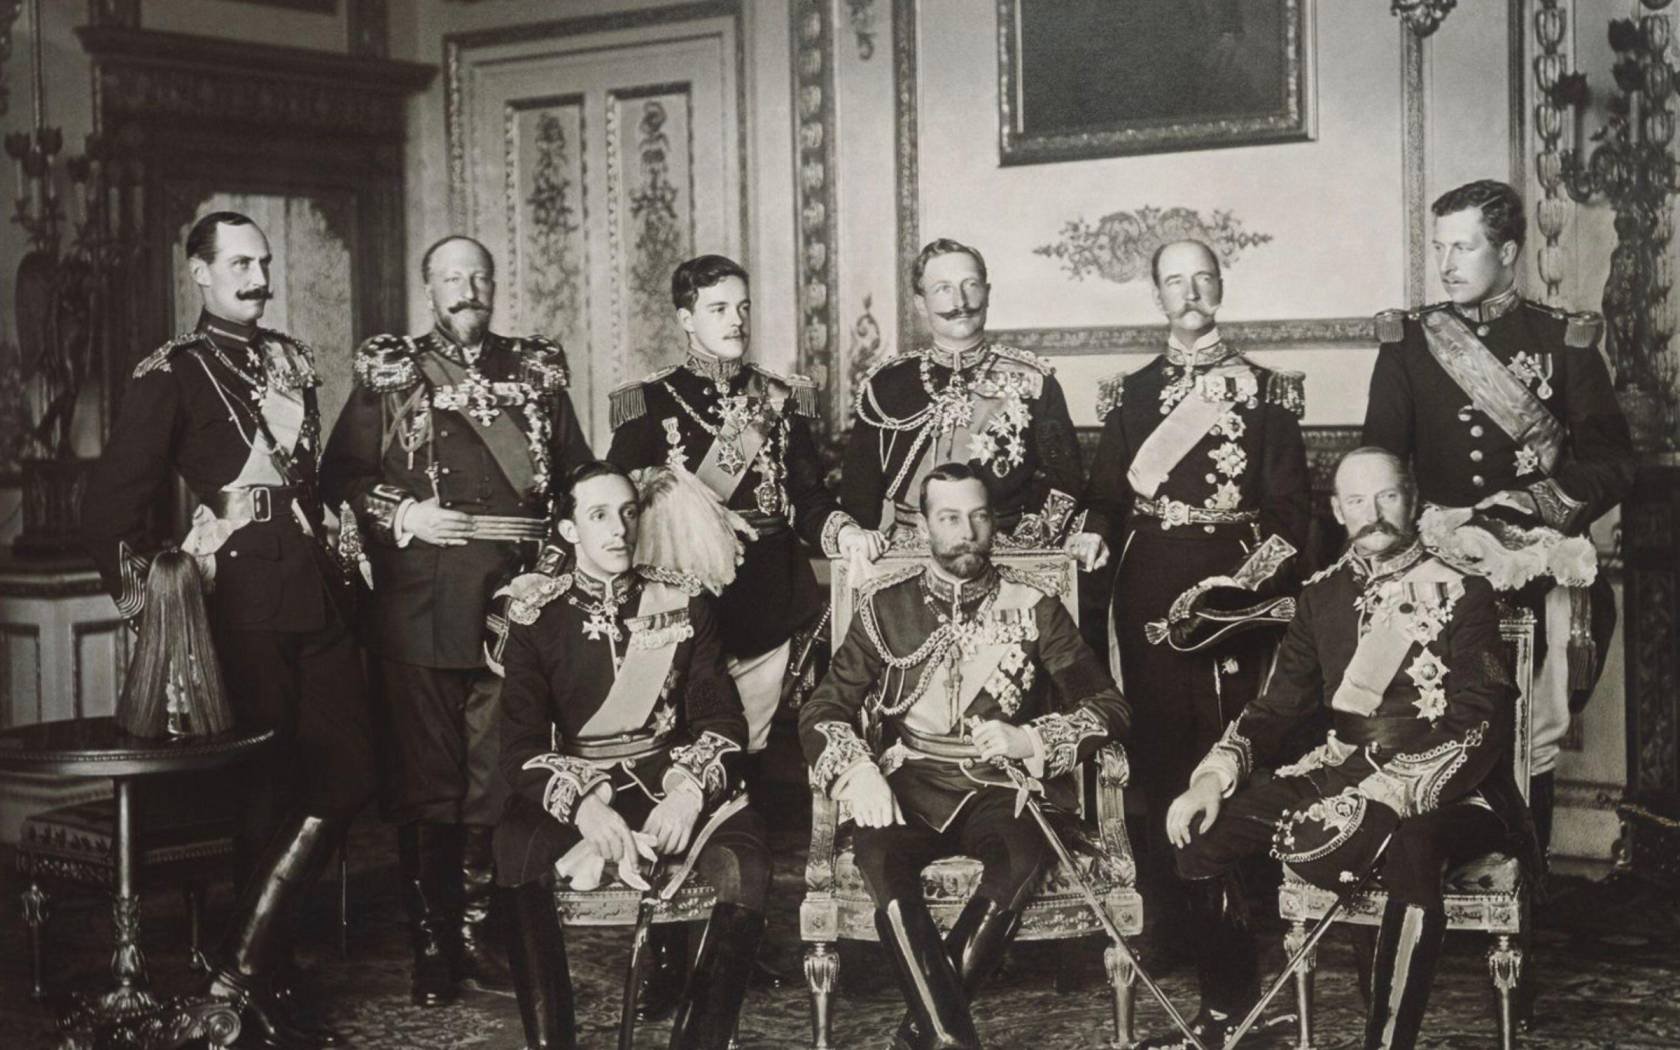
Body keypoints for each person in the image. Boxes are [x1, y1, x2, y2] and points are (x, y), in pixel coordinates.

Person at [83, 210, 375, 1048]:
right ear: (199, 274)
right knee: (266, 789)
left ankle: (235, 963)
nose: (258, 277)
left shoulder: (289, 361)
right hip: (243, 601)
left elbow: (313, 484)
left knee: (350, 773)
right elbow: (109, 506)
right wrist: (161, 586)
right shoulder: (171, 373)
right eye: (239, 264)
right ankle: (258, 980)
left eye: (264, 262)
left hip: (318, 592)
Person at [1165, 447, 1537, 1050]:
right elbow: (1279, 708)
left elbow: (1484, 716)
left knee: (1412, 848)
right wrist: (1214, 774)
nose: (1375, 513)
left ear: (1412, 501)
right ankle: (1230, 1013)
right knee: (1202, 838)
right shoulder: (1321, 597)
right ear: (1338, 510)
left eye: (1387, 496)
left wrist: (1393, 790)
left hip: (1456, 788)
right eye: (1358, 501)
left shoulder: (1465, 592)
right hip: (1344, 770)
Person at [320, 235, 593, 1005]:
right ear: (428, 289)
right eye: (450, 278)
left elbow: (574, 473)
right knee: (424, 783)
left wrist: (568, 552)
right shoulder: (393, 370)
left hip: (519, 598)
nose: (466, 288)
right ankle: (433, 947)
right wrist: (405, 512)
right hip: (421, 598)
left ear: (494, 285)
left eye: (478, 276)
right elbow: (342, 475)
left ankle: (483, 933)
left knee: (499, 778)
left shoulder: (535, 369)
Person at [799, 462, 1130, 1050]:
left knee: (1021, 856)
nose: (967, 532)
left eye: (979, 517)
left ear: (993, 521)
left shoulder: (1036, 605)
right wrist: (857, 771)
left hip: (1000, 783)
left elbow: (1109, 705)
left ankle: (923, 1037)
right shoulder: (883, 607)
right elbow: (823, 708)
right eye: (949, 518)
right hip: (909, 777)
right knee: (882, 863)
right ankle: (951, 1040)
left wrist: (1032, 740)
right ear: (924, 525)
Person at [1082, 238, 1310, 1048]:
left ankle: (1242, 925)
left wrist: (1238, 590)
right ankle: (1174, 924)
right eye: (1173, 281)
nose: (1189, 292)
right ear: (1157, 295)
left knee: (1232, 750)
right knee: (1158, 750)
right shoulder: (1132, 393)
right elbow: (1107, 502)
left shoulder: (1267, 390)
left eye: (1202, 278)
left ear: (1221, 286)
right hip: (1149, 591)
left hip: (1233, 591)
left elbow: (1292, 517)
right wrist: (1092, 543)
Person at [1363, 179, 1634, 850]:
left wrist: (1531, 505)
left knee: (1529, 729)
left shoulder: (1561, 340)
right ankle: (1437, 880)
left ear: (1509, 251)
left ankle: (1524, 886)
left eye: (1466, 246)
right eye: (1439, 248)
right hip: (1439, 568)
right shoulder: (1409, 344)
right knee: (1432, 719)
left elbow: (1611, 463)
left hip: (1533, 563)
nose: (1448, 263)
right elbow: (1381, 466)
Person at [494, 461, 770, 1050]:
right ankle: (551, 1041)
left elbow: (720, 717)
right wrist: (585, 808)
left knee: (748, 862)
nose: (619, 529)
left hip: (668, 773)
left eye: (627, 511)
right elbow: (518, 745)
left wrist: (690, 791)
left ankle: (700, 1040)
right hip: (578, 777)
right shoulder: (534, 617)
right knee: (513, 850)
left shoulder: (683, 600)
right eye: (598, 516)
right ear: (569, 531)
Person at [842, 238, 1106, 572]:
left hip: (1002, 558)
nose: (960, 302)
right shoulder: (886, 385)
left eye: (970, 285)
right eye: (943, 289)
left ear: (988, 293)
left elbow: (1066, 485)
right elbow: (858, 497)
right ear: (920, 303)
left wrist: (1030, 545)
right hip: (908, 560)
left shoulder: (1034, 382)